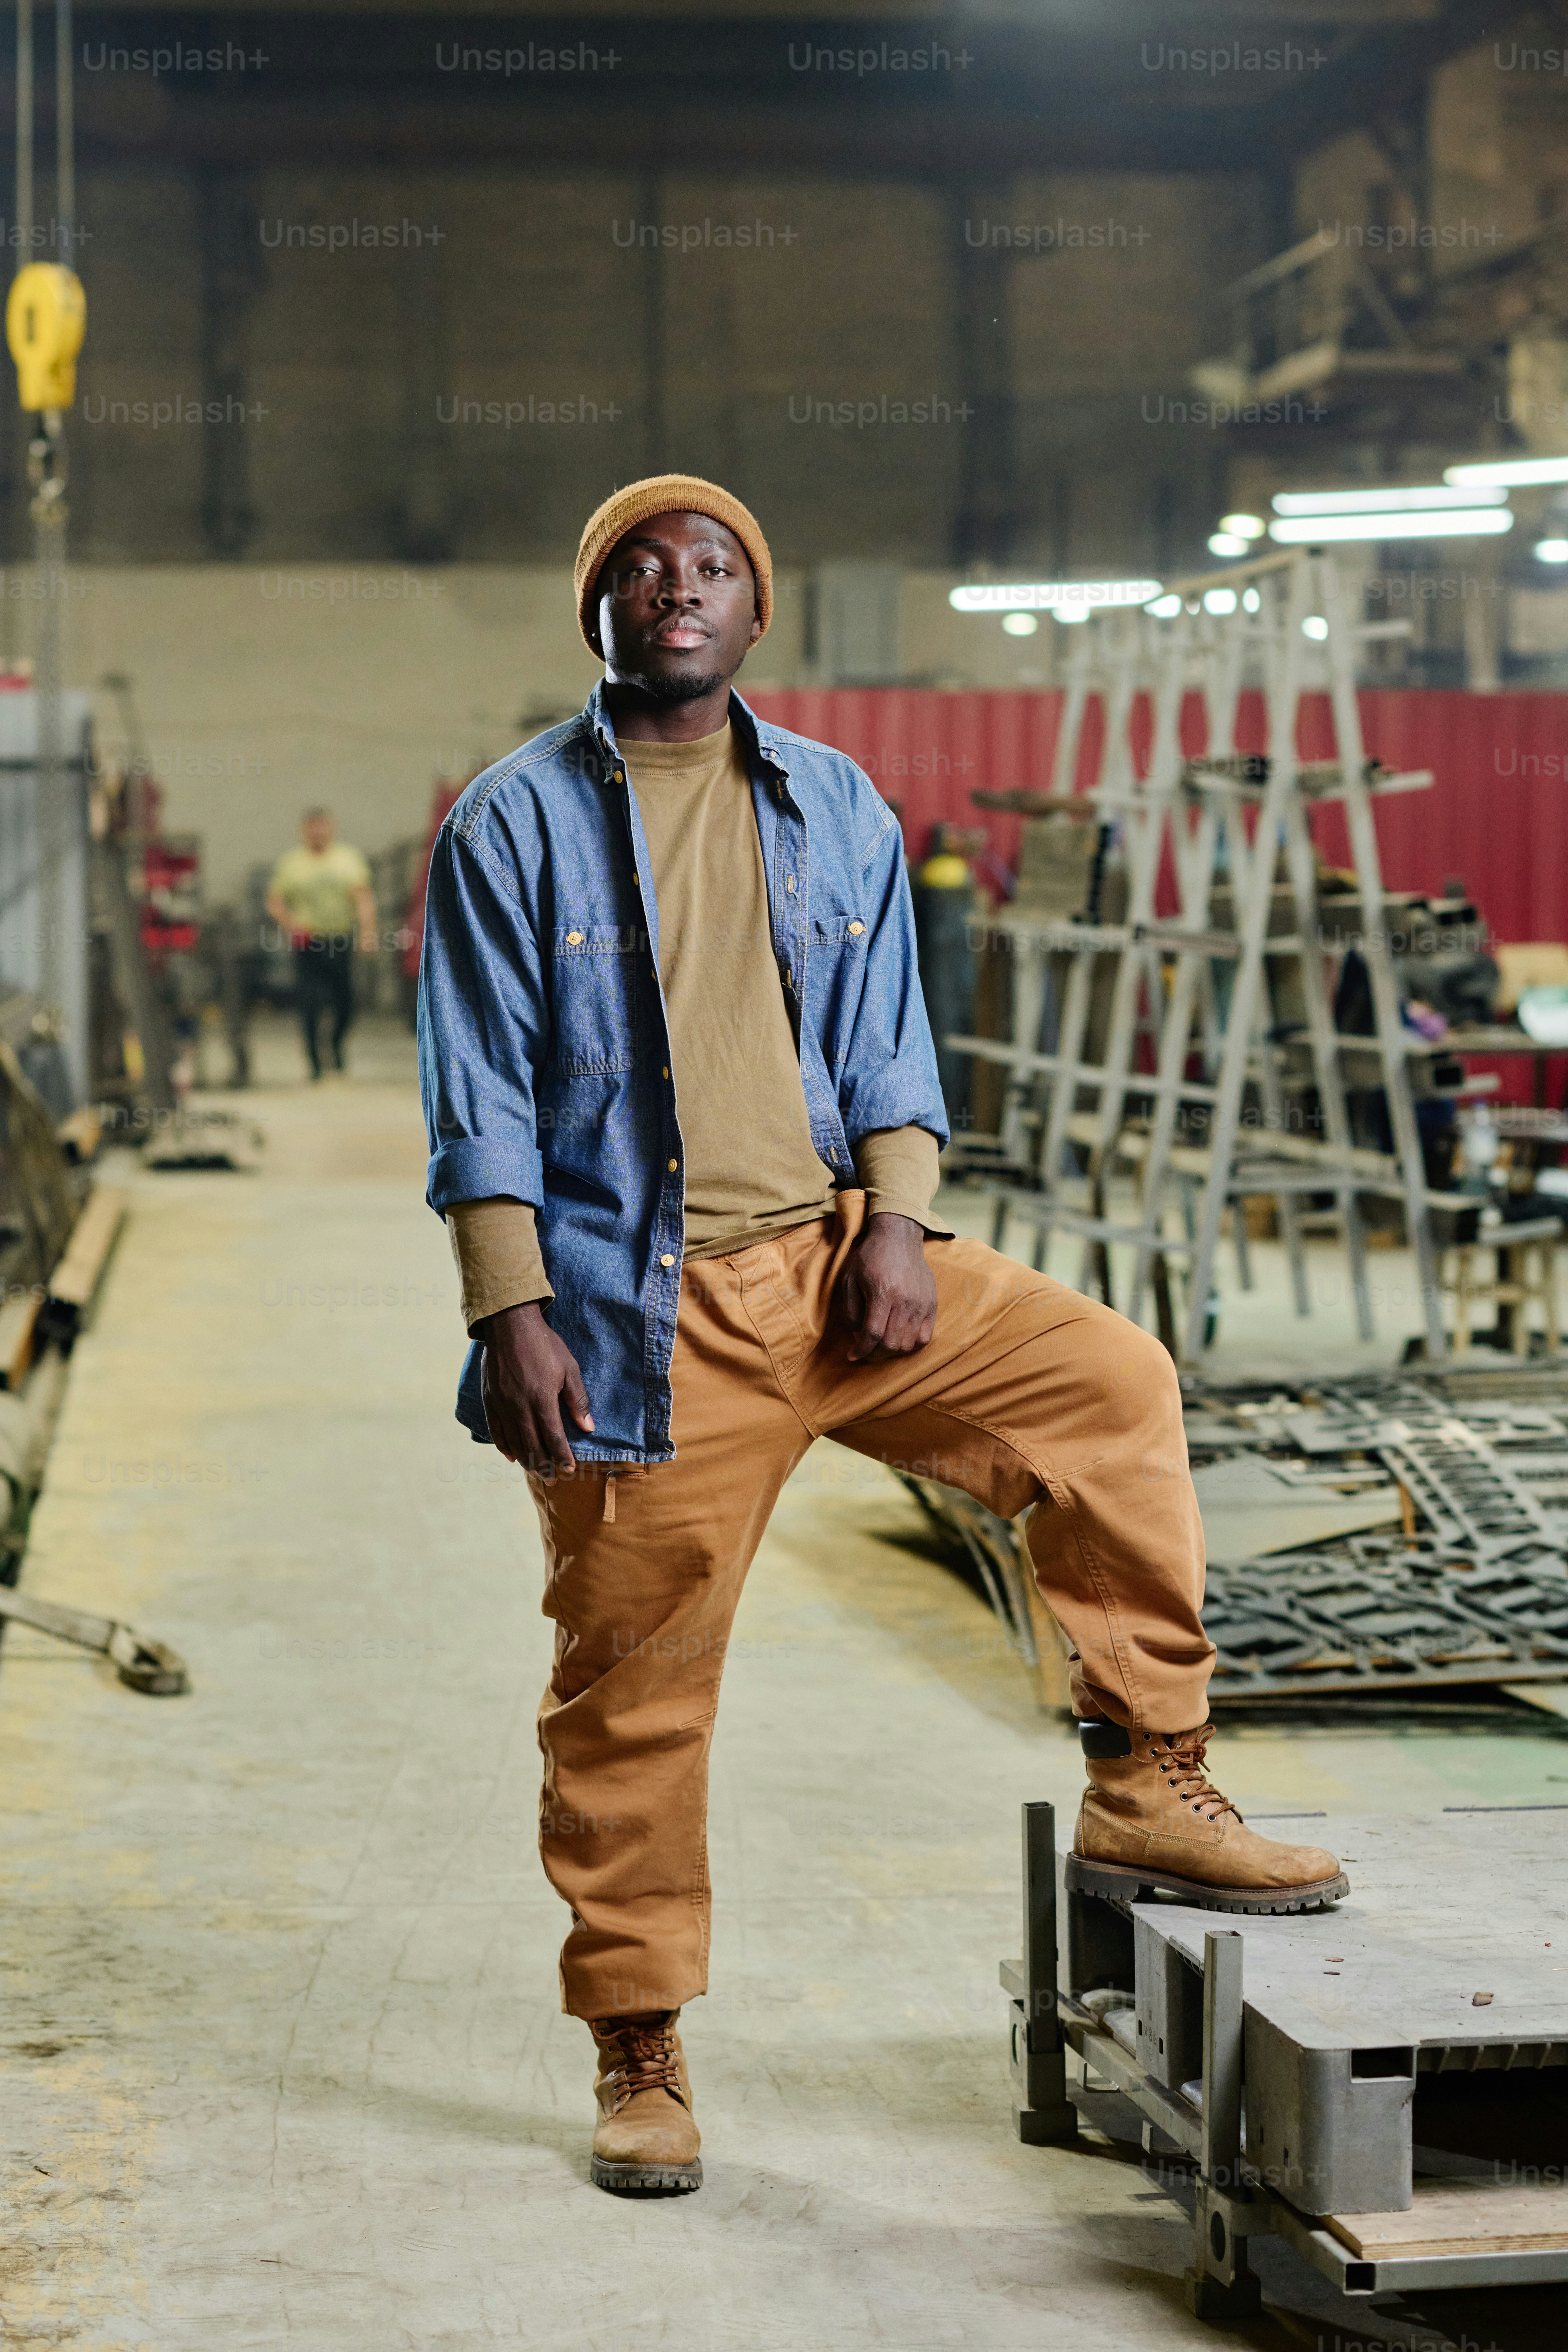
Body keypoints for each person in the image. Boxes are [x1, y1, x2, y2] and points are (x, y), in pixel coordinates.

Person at [417, 473, 1346, 2199]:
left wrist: (900, 1224)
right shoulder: (512, 820)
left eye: (708, 568)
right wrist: (509, 1304)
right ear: (598, 611)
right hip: (641, 1311)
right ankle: (638, 2038)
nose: (673, 591)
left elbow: (889, 1043)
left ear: (753, 612)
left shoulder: (832, 802)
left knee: (1108, 1383)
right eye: (638, 569)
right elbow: (472, 1088)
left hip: (843, 1271)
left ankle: (1148, 1771)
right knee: (630, 1686)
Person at [266, 809, 377, 1080]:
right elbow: (276, 901)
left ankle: (337, 1045)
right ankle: (315, 1061)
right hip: (309, 942)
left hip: (339, 939)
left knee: (346, 1001)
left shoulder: (347, 860)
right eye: (313, 829)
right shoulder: (293, 863)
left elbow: (363, 898)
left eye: (323, 828)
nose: (319, 834)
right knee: (310, 1004)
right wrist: (291, 923)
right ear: (305, 831)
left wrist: (368, 932)